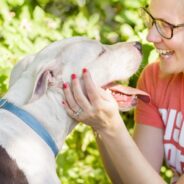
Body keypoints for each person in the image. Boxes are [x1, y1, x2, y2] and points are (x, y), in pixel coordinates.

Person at [62, 0, 184, 183]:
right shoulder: (155, 79)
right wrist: (100, 120)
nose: (150, 37)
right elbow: (127, 179)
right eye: (152, 21)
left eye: (166, 26)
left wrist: (111, 126)